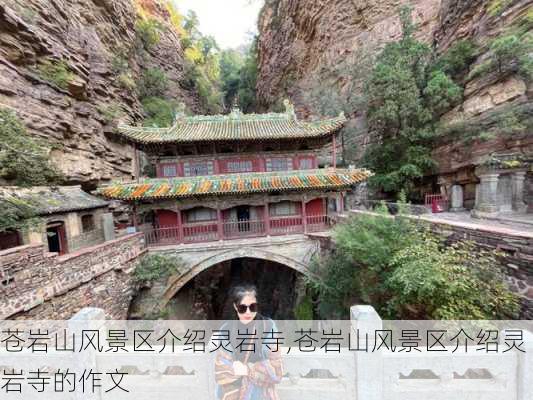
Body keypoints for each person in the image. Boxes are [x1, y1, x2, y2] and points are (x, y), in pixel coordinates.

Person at [214, 284, 283, 400]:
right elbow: (220, 366)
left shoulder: (268, 327)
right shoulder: (226, 329)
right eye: (242, 308)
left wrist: (248, 370)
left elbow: (276, 368)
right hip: (230, 393)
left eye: (252, 307)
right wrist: (233, 368)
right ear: (235, 306)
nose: (248, 312)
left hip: (261, 393)